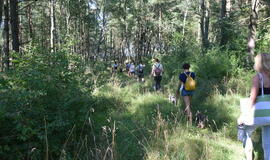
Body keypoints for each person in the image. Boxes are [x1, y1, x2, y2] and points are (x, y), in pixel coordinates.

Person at [238, 53, 270, 160]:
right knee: (268, 144)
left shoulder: (258, 77)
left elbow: (253, 98)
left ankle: (249, 156)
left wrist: (243, 115)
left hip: (257, 114)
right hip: (269, 115)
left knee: (245, 132)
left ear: (260, 64)